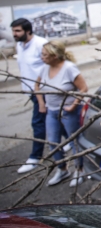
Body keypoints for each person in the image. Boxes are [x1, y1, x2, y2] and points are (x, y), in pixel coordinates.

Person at [34, 41, 88, 187]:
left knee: (74, 141)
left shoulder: (69, 68)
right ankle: (62, 169)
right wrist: (41, 103)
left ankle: (79, 169)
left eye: (44, 54)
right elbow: (37, 86)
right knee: (53, 142)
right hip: (51, 112)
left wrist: (73, 105)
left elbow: (83, 89)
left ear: (55, 56)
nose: (41, 57)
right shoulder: (44, 68)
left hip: (69, 112)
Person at [12, 18, 48, 174]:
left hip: (43, 91)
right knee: (52, 118)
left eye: (18, 31)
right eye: (13, 31)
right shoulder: (20, 45)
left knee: (38, 123)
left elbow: (51, 65)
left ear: (28, 31)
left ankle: (35, 157)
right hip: (30, 90)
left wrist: (40, 90)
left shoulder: (41, 44)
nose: (14, 34)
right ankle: (70, 141)